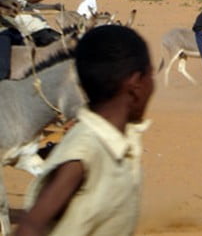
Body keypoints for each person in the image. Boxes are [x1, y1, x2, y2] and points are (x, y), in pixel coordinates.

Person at [16, 25, 154, 236]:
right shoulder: (86, 149)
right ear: (136, 85)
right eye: (151, 76)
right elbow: (30, 226)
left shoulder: (119, 142)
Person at [0, 0, 63, 79]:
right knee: (3, 69)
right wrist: (3, 2)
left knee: (29, 65)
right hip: (2, 31)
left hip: (14, 29)